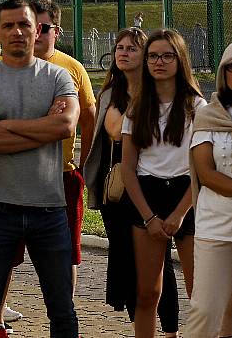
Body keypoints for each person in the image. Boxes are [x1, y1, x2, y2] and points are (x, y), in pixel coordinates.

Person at [0, 0, 81, 337]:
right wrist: (42, 127)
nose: (17, 31)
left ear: (38, 29)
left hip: (49, 208)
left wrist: (7, 125)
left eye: (25, 24)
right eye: (9, 25)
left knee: (62, 311)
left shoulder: (58, 77)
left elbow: (65, 127)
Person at [82, 28, 182, 335]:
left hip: (151, 185)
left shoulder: (158, 97)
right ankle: (142, 325)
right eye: (119, 47)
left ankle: (170, 328)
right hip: (117, 189)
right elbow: (109, 132)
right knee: (129, 266)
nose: (123, 53)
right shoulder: (110, 93)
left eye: (132, 49)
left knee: (160, 265)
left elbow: (119, 130)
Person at [120, 29, 205, 338]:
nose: (159, 62)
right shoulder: (136, 107)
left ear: (179, 60)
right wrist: (149, 216)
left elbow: (200, 167)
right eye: (153, 55)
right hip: (147, 198)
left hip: (189, 197)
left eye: (167, 55)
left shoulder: (197, 107)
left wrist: (180, 213)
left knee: (201, 295)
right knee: (147, 293)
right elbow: (128, 168)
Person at [30, 0, 97, 297]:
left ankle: (64, 314)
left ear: (56, 31)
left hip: (62, 174)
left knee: (66, 250)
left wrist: (85, 162)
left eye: (43, 28)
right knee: (5, 252)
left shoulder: (73, 68)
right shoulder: (0, 67)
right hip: (16, 175)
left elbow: (90, 116)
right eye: (31, 26)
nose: (36, 34)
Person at [186, 42, 232, 337]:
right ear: (223, 73)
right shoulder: (209, 115)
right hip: (216, 226)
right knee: (205, 309)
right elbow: (206, 172)